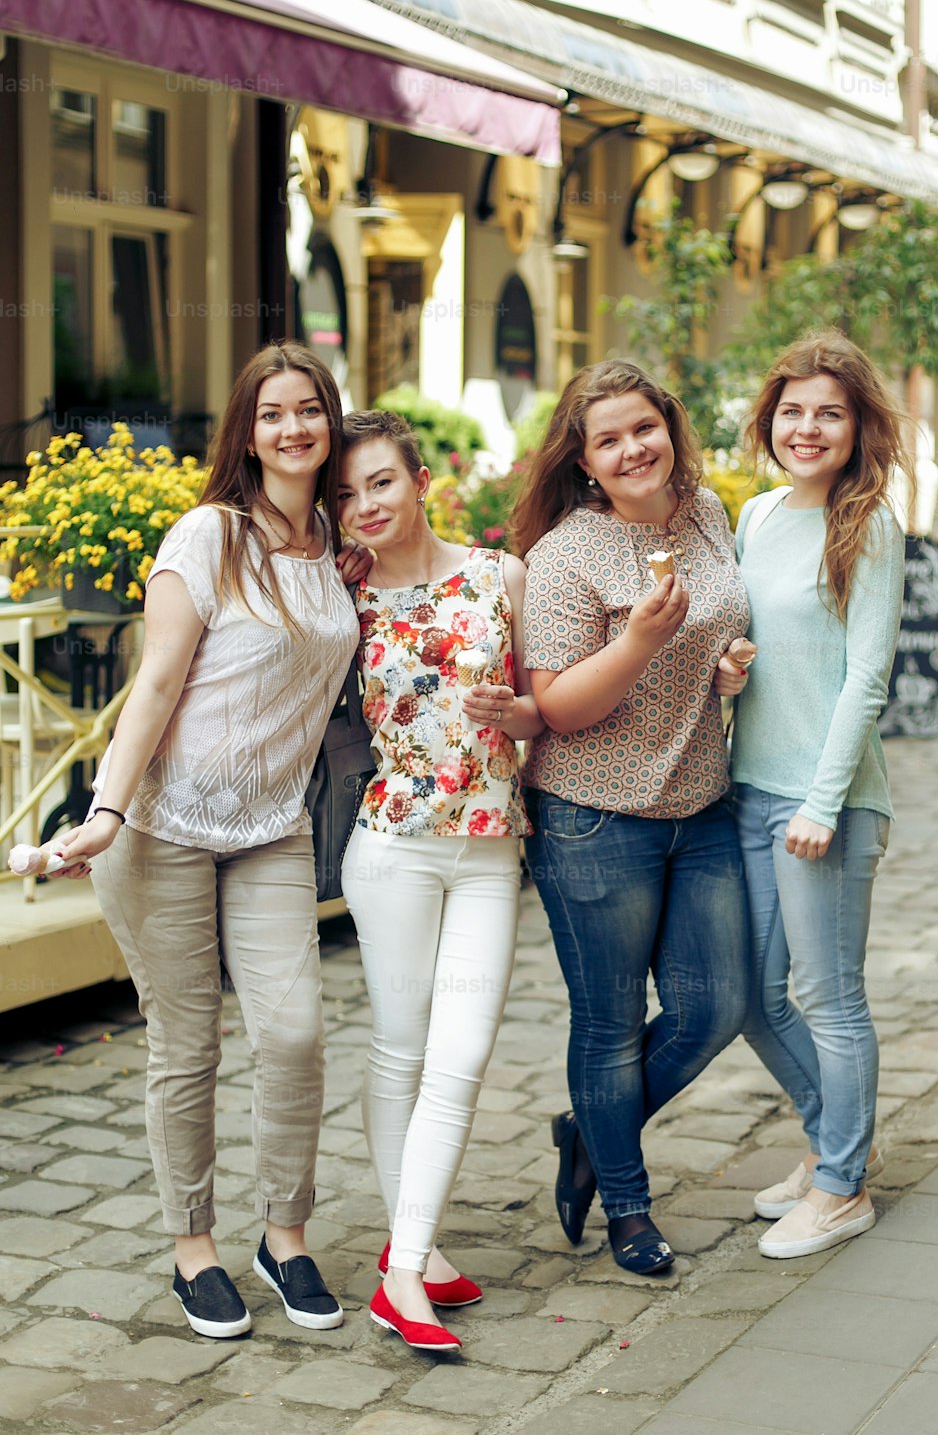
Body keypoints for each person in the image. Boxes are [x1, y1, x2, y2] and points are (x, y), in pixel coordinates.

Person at [56, 342, 363, 1337]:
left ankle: (287, 1235)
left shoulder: (337, 539)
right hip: (165, 828)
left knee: (292, 1033)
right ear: (246, 430)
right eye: (272, 412)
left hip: (271, 830)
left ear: (330, 422)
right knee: (186, 1049)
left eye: (308, 410)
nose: (292, 428)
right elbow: (153, 684)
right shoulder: (208, 537)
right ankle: (195, 1247)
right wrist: (104, 811)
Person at [508, 359, 751, 1276]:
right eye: (608, 438)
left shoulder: (705, 512)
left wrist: (729, 659)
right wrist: (643, 638)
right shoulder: (565, 557)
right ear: (585, 458)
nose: (632, 448)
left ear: (669, 428)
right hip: (594, 817)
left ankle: (588, 1127)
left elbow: (722, 621)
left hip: (702, 802)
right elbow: (560, 708)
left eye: (643, 428)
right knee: (607, 1025)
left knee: (713, 1006)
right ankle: (627, 1207)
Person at [337, 409, 543, 1352]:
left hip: (491, 849)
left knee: (459, 1059)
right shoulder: (343, 595)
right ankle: (409, 1261)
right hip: (393, 852)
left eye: (380, 481)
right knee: (401, 1052)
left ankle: (405, 1268)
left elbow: (547, 705)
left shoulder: (501, 576)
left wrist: (525, 711)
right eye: (344, 494)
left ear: (422, 480)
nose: (363, 504)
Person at [731, 330, 907, 1259]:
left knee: (829, 996)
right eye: (793, 411)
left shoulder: (869, 522)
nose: (808, 428)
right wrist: (729, 668)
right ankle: (834, 1133)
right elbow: (754, 646)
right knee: (756, 996)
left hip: (824, 805)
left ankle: (842, 1188)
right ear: (771, 420)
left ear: (856, 425)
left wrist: (823, 804)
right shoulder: (756, 515)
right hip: (751, 787)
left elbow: (866, 681)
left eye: (828, 414)